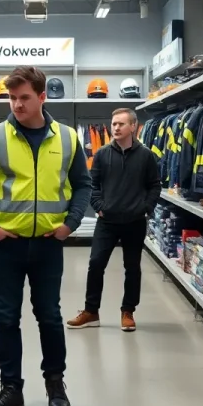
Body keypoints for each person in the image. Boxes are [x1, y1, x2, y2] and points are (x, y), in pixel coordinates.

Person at [0, 66, 91, 406]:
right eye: (12, 97)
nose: (17, 105)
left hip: (49, 245)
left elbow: (83, 184)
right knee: (6, 318)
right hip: (7, 245)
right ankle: (10, 391)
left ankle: (55, 385)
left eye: (24, 98)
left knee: (49, 316)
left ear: (42, 97)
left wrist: (70, 224)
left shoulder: (67, 138)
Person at [67, 108, 161, 333]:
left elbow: (155, 185)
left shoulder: (146, 155)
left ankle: (128, 311)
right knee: (96, 264)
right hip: (107, 221)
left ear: (133, 127)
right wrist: (99, 207)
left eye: (121, 124)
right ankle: (91, 311)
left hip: (135, 222)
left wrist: (146, 208)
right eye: (114, 124)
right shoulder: (101, 154)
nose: (115, 128)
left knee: (132, 267)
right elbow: (93, 184)